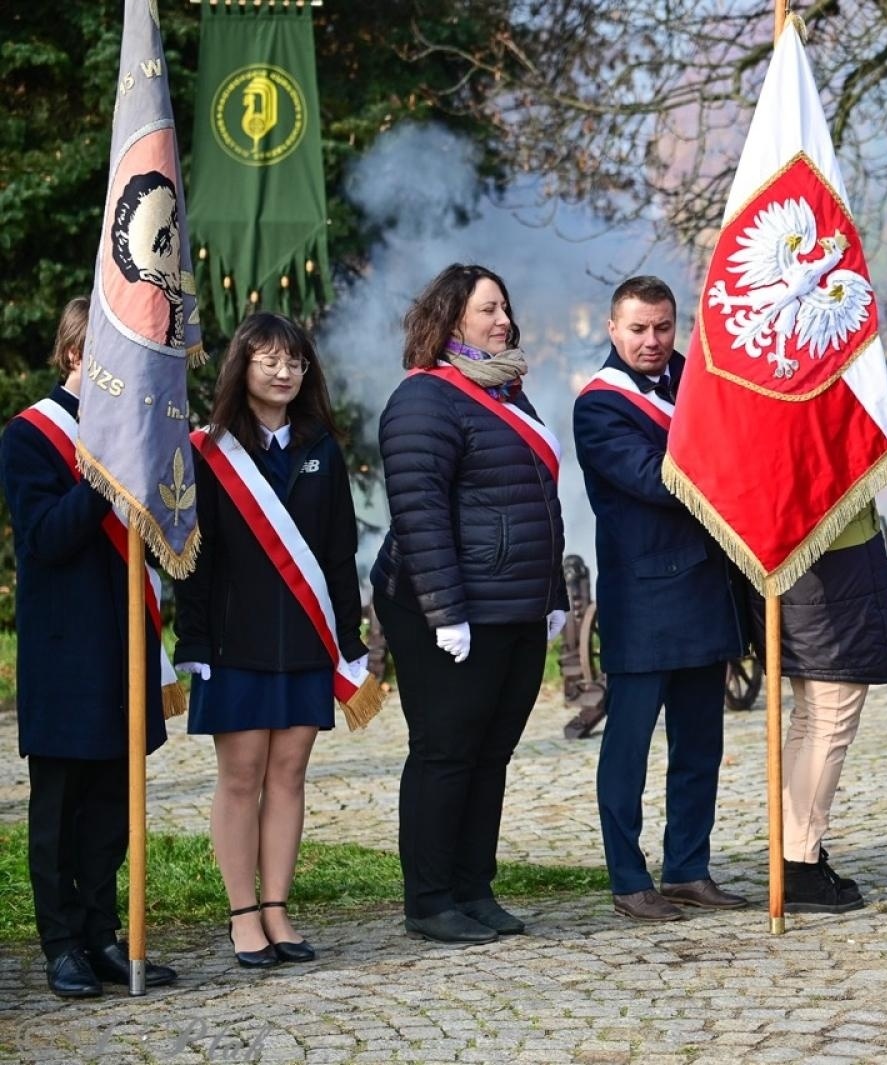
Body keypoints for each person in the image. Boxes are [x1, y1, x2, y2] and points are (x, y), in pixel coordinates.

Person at [371, 264, 567, 942]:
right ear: (452, 319)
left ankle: (472, 887)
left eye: (505, 307)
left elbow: (541, 502)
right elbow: (419, 514)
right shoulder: (425, 400)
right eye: (488, 309)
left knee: (490, 753)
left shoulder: (511, 394)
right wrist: (444, 610)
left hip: (512, 605)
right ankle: (429, 900)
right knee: (446, 750)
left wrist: (554, 594)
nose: (503, 319)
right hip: (445, 608)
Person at [175, 313, 370, 968]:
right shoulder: (211, 450)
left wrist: (351, 639)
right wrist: (192, 639)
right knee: (242, 775)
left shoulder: (323, 447)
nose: (284, 372)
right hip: (234, 645)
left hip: (306, 642)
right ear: (243, 367)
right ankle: (243, 913)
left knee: (289, 773)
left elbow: (340, 553)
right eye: (269, 360)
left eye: (295, 361)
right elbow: (194, 558)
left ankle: (279, 907)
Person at [1, 298, 178, 997]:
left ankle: (104, 934)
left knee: (111, 804)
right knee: (60, 809)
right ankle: (61, 942)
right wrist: (104, 477)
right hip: (64, 650)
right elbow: (45, 536)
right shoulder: (27, 436)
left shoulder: (134, 432)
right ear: (77, 356)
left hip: (123, 644)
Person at [573, 275, 749, 922]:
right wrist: (731, 457)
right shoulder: (599, 404)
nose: (652, 341)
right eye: (639, 329)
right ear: (614, 330)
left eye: (663, 327)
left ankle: (687, 868)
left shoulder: (704, 381)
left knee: (699, 745)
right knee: (629, 748)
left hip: (706, 589)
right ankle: (627, 877)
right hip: (644, 599)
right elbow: (656, 479)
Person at [748, 500, 887, 913]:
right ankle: (799, 864)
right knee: (829, 721)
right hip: (829, 568)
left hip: (809, 565)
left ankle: (794, 853)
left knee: (812, 719)